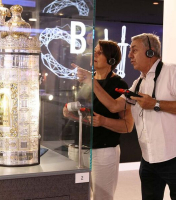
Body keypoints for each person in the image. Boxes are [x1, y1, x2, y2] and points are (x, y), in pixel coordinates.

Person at [77, 33, 176, 200]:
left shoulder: (173, 71)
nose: (129, 55)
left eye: (134, 50)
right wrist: (92, 82)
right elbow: (114, 106)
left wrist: (156, 104)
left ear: (150, 52)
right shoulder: (138, 83)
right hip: (149, 159)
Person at [63, 40, 134, 200]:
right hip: (77, 146)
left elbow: (127, 125)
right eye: (94, 51)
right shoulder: (84, 80)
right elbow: (82, 112)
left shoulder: (119, 85)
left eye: (99, 52)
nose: (94, 54)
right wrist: (70, 113)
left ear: (111, 60)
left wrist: (104, 122)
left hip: (102, 151)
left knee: (102, 197)